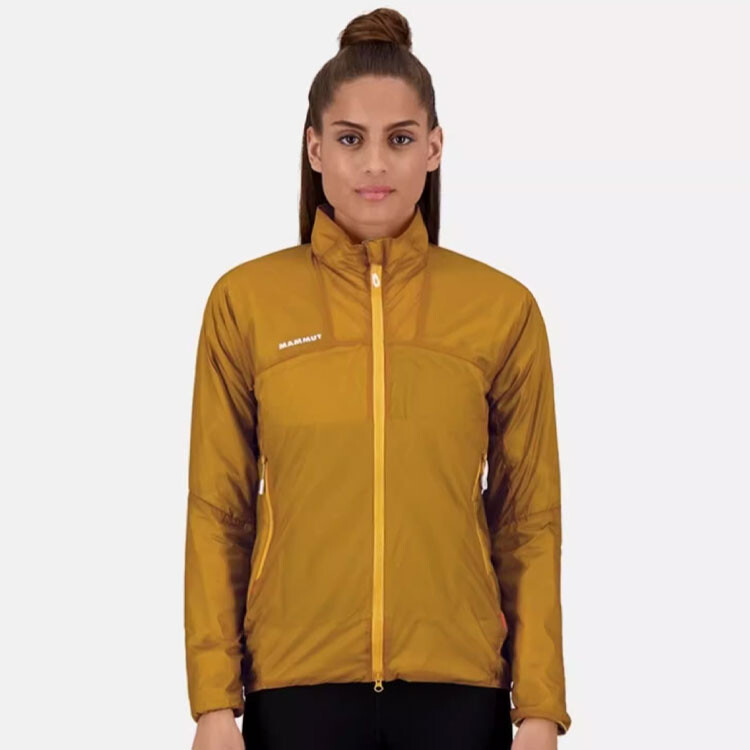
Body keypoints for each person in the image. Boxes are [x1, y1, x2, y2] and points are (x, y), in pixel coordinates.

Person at [184, 7, 571, 749]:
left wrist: (540, 709)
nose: (374, 165)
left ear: (433, 147)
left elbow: (529, 520)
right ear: (314, 148)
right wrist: (212, 703)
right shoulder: (246, 303)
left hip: (457, 691)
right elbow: (218, 512)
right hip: (296, 689)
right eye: (349, 139)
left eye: (398, 139)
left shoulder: (500, 309)